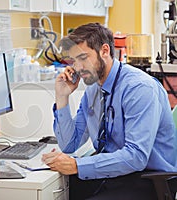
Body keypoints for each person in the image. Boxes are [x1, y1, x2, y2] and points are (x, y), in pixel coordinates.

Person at [41, 23, 177, 199]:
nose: (78, 67)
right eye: (74, 60)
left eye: (83, 58)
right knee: (57, 192)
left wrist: (77, 165)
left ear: (104, 51)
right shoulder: (93, 89)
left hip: (148, 179)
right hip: (117, 172)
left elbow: (136, 156)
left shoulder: (139, 88)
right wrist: (62, 97)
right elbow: (69, 144)